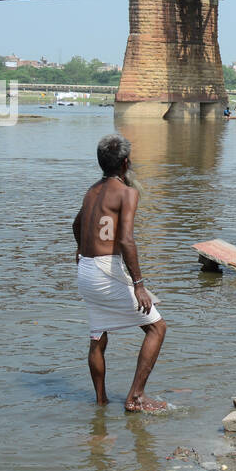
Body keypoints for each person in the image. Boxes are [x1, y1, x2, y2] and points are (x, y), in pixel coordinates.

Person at [73, 134, 168, 412]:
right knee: (156, 327)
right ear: (126, 163)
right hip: (105, 271)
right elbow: (126, 239)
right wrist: (139, 284)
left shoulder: (91, 191)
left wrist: (80, 249)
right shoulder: (127, 192)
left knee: (98, 336)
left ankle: (101, 402)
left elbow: (76, 224)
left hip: (86, 272)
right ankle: (136, 398)